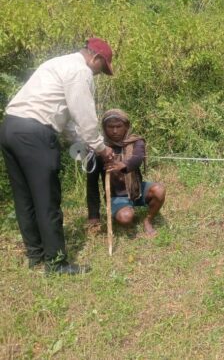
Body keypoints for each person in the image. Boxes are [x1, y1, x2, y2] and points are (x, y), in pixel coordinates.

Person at [0, 38, 116, 274]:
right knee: (47, 199)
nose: (98, 75)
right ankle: (56, 263)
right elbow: (84, 115)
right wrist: (101, 148)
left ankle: (36, 254)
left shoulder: (58, 63)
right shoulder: (80, 71)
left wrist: (82, 143)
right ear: (95, 58)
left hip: (11, 127)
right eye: (100, 70)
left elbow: (62, 117)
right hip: (35, 134)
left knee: (24, 197)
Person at [87, 109, 165, 238]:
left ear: (127, 126)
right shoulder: (98, 149)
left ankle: (148, 220)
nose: (115, 131)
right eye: (110, 127)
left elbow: (138, 158)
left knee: (159, 190)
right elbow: (92, 185)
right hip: (116, 195)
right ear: (104, 128)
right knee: (126, 217)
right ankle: (125, 210)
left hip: (137, 189)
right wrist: (93, 215)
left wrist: (123, 165)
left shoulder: (136, 141)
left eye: (119, 126)